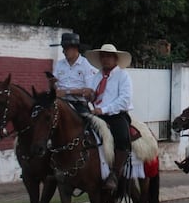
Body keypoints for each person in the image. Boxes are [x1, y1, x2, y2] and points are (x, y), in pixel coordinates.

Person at [84, 43, 134, 192]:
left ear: (115, 58)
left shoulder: (123, 75)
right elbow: (94, 94)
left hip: (115, 115)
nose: (105, 59)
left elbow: (124, 99)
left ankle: (114, 173)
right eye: (103, 56)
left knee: (122, 138)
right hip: (96, 114)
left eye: (109, 56)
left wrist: (104, 109)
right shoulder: (97, 75)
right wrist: (90, 95)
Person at [50, 32, 98, 114]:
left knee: (91, 122)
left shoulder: (86, 65)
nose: (63, 51)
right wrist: (52, 84)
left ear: (75, 48)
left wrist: (66, 92)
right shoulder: (59, 64)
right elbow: (55, 88)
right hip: (60, 102)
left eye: (66, 48)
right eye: (63, 48)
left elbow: (89, 91)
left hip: (78, 104)